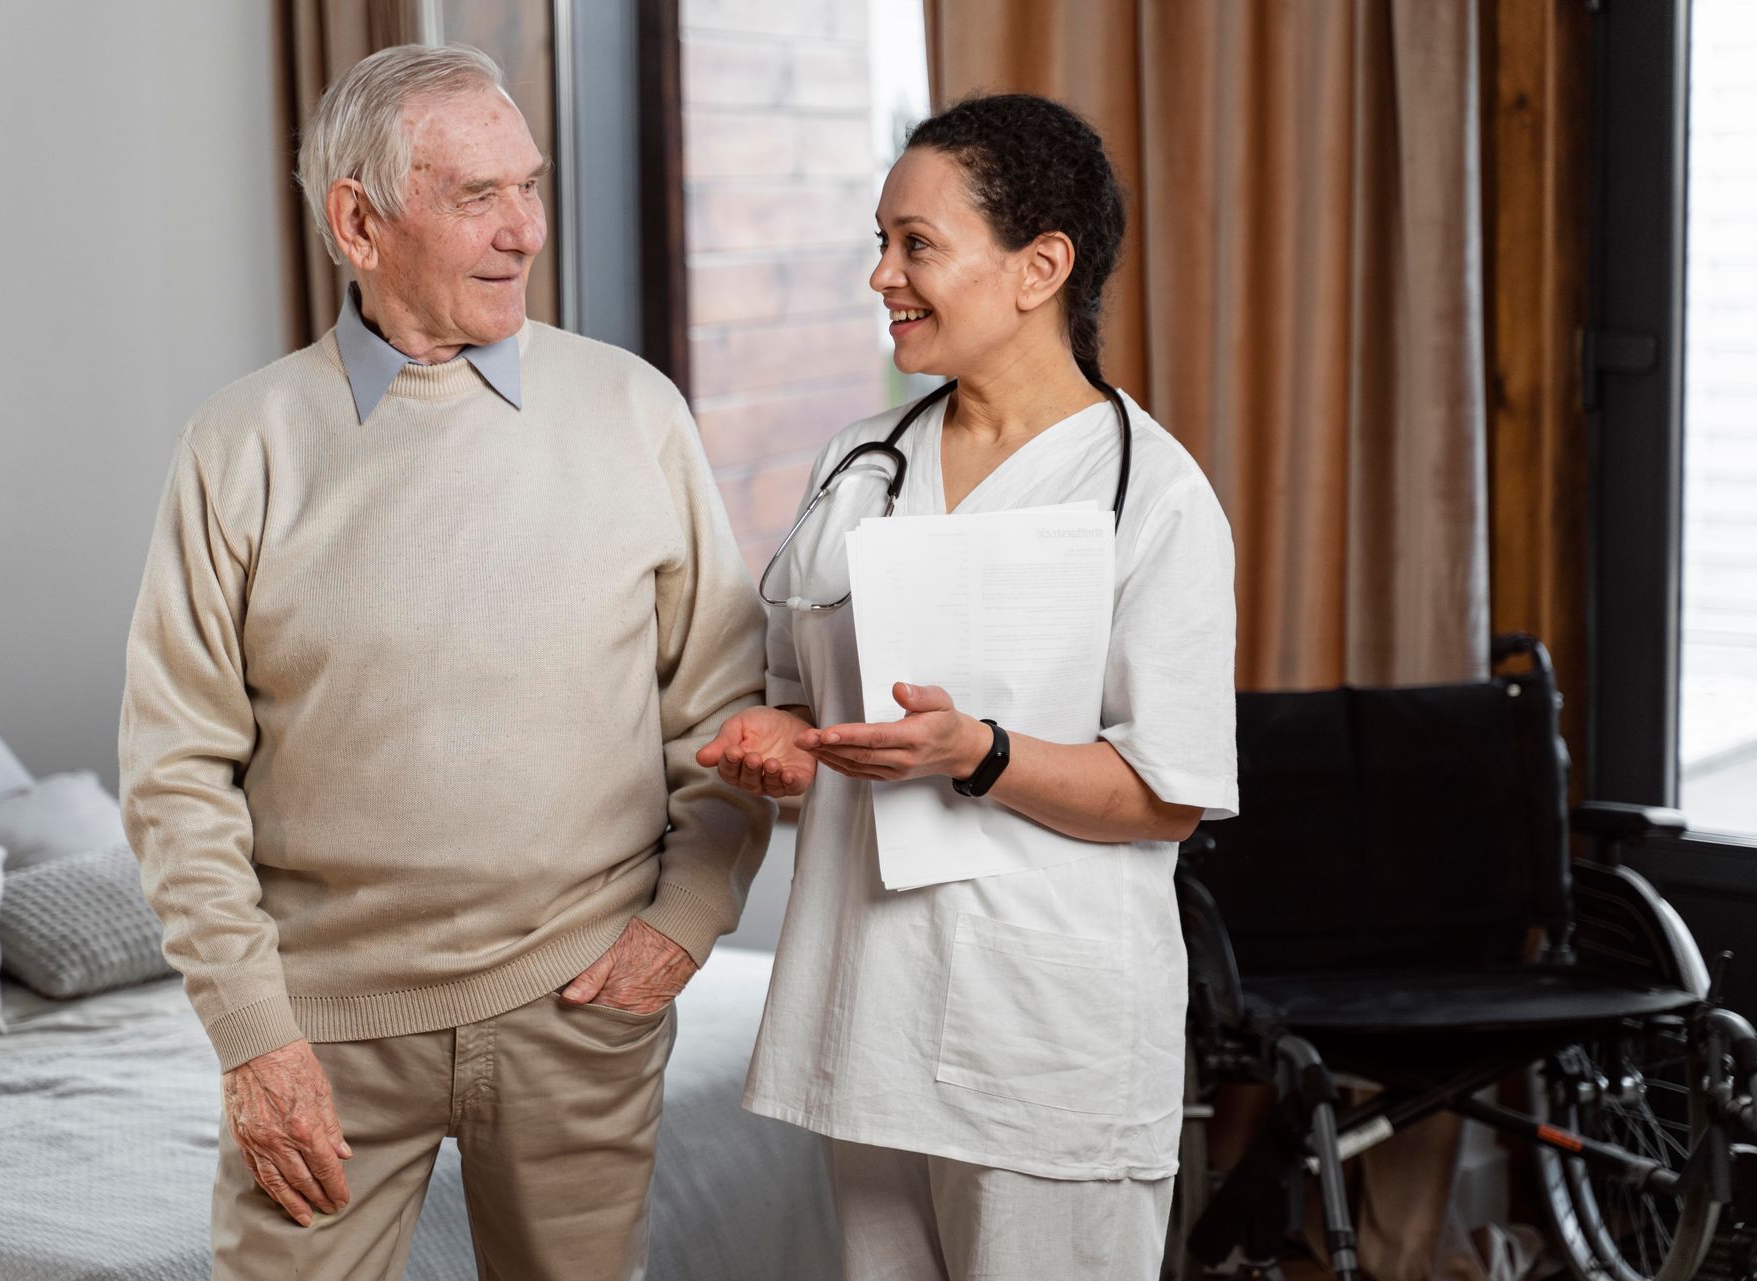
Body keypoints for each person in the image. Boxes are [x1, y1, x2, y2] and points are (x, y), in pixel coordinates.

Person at [119, 43, 771, 1281]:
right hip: (324, 1032)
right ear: (359, 222)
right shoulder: (240, 445)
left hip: (581, 1007)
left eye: (529, 187)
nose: (525, 231)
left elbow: (726, 714)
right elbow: (175, 779)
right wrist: (255, 1040)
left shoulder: (636, 411)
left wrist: (682, 927)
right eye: (478, 198)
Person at [697, 93, 1238, 1280]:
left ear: (1042, 265)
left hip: (1044, 1039)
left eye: (916, 245)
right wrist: (783, 739)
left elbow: (1170, 794)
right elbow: (803, 693)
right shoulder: (858, 461)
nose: (881, 274)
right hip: (870, 1012)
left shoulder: (1151, 497)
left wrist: (979, 753)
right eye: (879, 242)